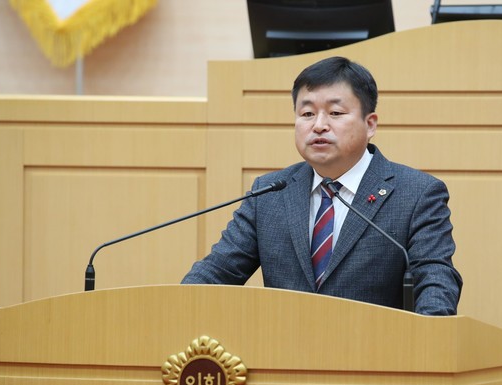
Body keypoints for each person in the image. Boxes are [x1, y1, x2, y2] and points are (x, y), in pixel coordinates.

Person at [182, 56, 462, 315]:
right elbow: (217, 272)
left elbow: (436, 281)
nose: (318, 125)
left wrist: (429, 338)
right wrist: (174, 308)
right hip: (283, 349)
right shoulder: (269, 193)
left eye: (335, 113)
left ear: (370, 124)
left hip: (375, 349)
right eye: (306, 114)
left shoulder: (416, 194)